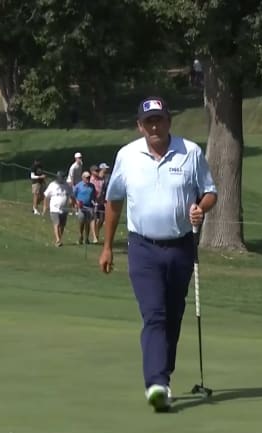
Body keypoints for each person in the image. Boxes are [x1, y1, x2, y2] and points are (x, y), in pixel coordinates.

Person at [99, 96, 217, 413]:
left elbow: (210, 191)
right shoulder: (127, 156)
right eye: (148, 121)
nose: (154, 126)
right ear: (140, 126)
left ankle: (164, 376)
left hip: (180, 247)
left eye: (159, 120)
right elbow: (113, 202)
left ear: (168, 122)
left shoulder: (190, 152)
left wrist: (200, 208)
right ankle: (156, 383)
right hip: (142, 248)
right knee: (155, 315)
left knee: (174, 316)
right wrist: (108, 246)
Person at [42, 171, 75, 246]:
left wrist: (74, 204)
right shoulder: (52, 185)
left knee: (62, 225)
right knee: (57, 223)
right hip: (54, 209)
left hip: (64, 209)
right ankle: (57, 239)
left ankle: (59, 239)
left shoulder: (67, 186)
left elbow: (72, 196)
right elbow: (46, 196)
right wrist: (45, 206)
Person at [74, 171, 97, 244]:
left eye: (89, 177)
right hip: (81, 207)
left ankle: (86, 238)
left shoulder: (92, 186)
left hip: (89, 207)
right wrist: (76, 202)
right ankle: (80, 236)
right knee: (81, 222)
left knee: (88, 223)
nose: (88, 179)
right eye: (87, 178)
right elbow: (73, 196)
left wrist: (94, 202)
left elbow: (93, 196)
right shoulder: (78, 186)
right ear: (83, 178)